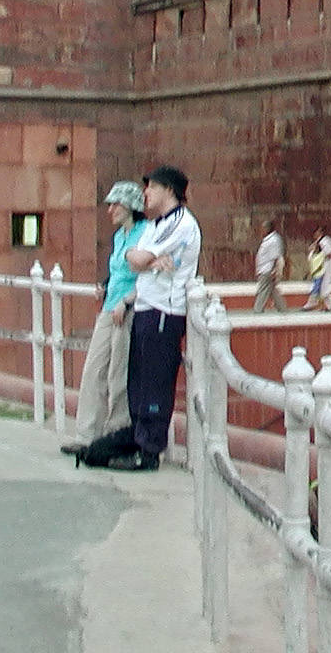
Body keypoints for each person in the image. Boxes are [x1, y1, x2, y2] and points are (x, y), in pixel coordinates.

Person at [115, 165, 201, 471]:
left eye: (150, 188)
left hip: (165, 311)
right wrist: (142, 260)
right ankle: (138, 441)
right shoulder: (154, 225)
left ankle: (150, 449)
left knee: (155, 381)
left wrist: (141, 259)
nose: (145, 194)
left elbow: (137, 258)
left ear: (168, 189)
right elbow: (133, 258)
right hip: (145, 307)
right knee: (137, 379)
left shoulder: (182, 225)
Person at [61, 181, 146, 456]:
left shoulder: (145, 234)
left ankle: (115, 435)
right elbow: (119, 269)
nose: (110, 210)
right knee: (93, 369)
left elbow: (150, 275)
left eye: (115, 204)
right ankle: (87, 435)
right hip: (111, 306)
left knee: (118, 373)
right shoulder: (120, 236)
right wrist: (107, 285)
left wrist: (127, 300)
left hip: (128, 309)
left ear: (131, 206)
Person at [252, 218, 287, 313]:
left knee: (263, 290)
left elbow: (276, 257)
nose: (261, 231)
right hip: (264, 269)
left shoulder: (274, 240)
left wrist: (274, 270)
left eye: (263, 228)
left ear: (268, 229)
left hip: (267, 270)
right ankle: (282, 308)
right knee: (272, 291)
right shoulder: (268, 240)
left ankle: (258, 310)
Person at [302, 225, 331, 311]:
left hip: (326, 267)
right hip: (325, 267)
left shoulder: (324, 242)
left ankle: (312, 304)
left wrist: (317, 256)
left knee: (323, 287)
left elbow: (329, 254)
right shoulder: (325, 241)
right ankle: (330, 306)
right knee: (322, 287)